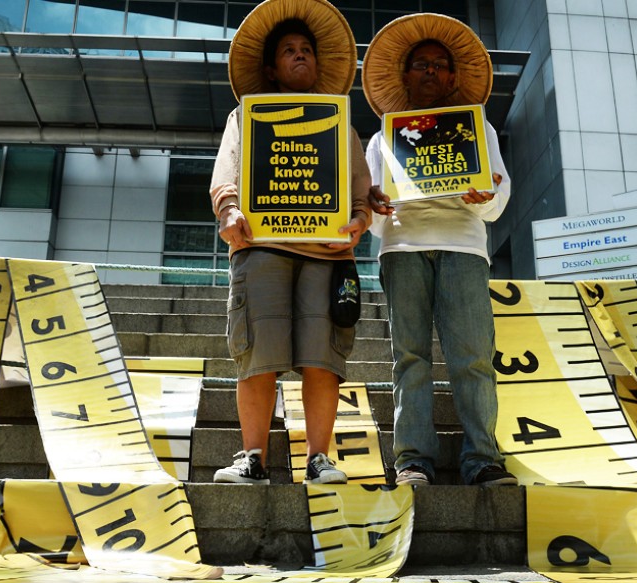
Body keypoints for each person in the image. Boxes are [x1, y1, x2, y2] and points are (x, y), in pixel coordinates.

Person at [209, 0, 371, 484]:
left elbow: (359, 187)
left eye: (307, 50)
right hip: (261, 249)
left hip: (327, 253)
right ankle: (252, 457)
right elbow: (227, 173)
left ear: (318, 63)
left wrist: (360, 217)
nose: (300, 56)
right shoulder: (245, 118)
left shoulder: (341, 122)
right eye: (289, 50)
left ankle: (319, 458)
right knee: (258, 351)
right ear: (272, 67)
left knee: (323, 357)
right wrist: (230, 210)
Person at [361, 14, 517, 487]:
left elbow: (499, 197)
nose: (430, 71)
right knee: (409, 357)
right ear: (405, 76)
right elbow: (369, 219)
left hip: (464, 247)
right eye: (420, 64)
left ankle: (483, 459)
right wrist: (373, 205)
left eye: (439, 65)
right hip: (402, 247)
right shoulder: (381, 137)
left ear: (452, 77)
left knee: (472, 357)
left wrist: (486, 194)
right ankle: (412, 460)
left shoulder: (480, 130)